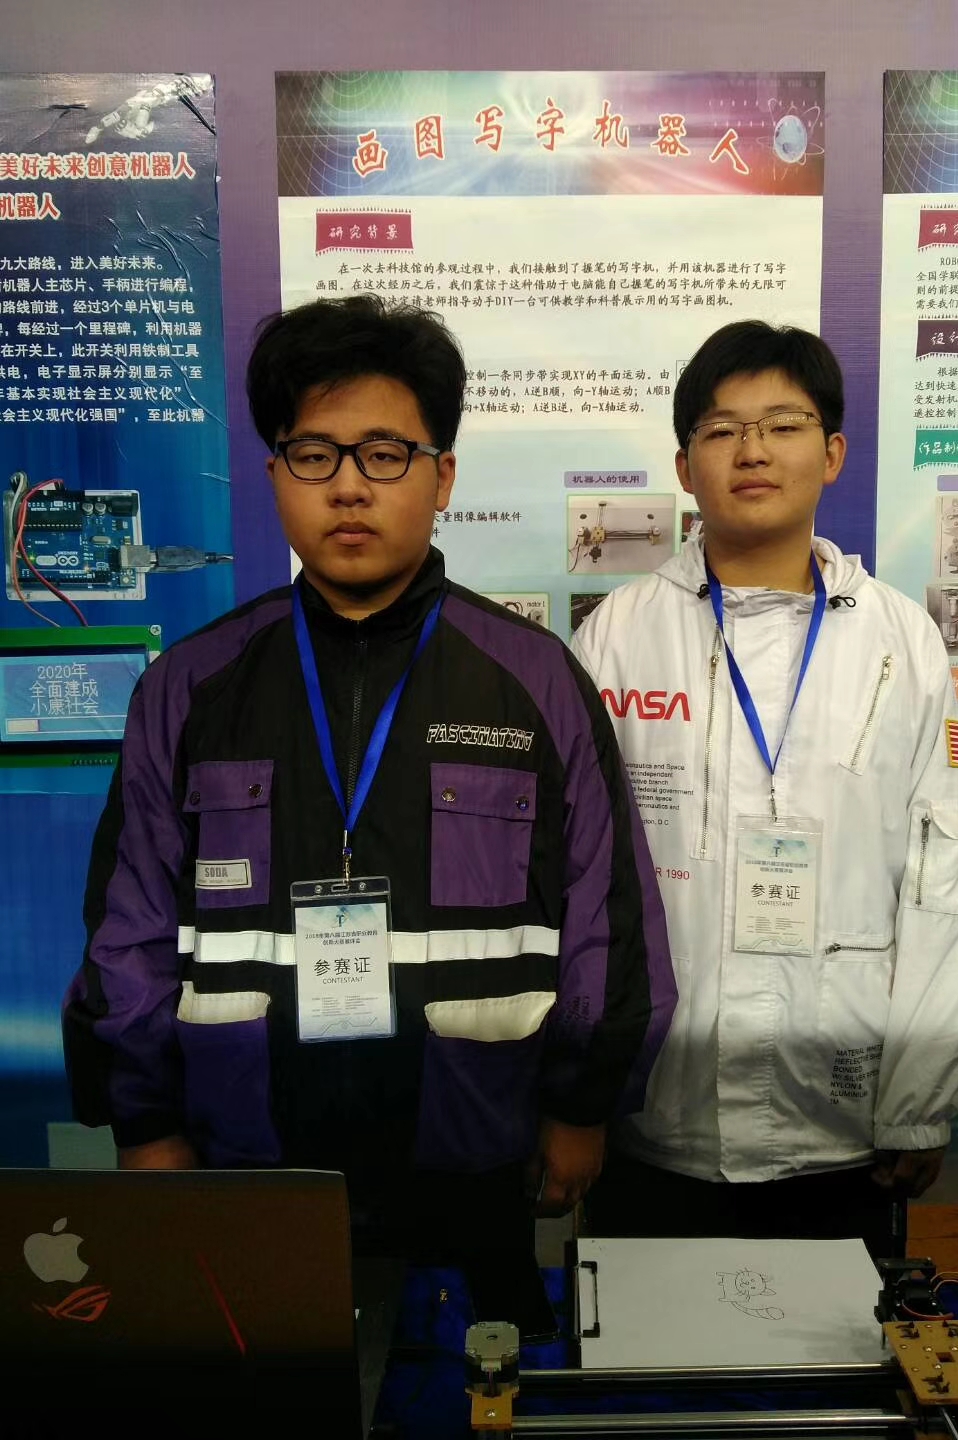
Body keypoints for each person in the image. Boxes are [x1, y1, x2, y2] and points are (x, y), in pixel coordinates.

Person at [64, 294, 675, 1272]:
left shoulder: (534, 681)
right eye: (315, 454)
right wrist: (144, 1119)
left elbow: (607, 911)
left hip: (475, 1158)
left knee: (475, 1364)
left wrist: (581, 1105)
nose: (349, 486)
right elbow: (130, 924)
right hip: (245, 1162)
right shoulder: (190, 686)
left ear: (443, 477)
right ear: (275, 474)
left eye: (385, 454)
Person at [571, 320, 958, 1259]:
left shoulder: (901, 640)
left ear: (832, 453)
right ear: (684, 467)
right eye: (722, 430)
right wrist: (578, 1098)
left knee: (836, 1348)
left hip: (841, 1128)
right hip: (653, 1124)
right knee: (648, 1346)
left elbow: (945, 879)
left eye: (783, 425)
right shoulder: (618, 636)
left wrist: (919, 1103)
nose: (753, 451)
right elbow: (578, 882)